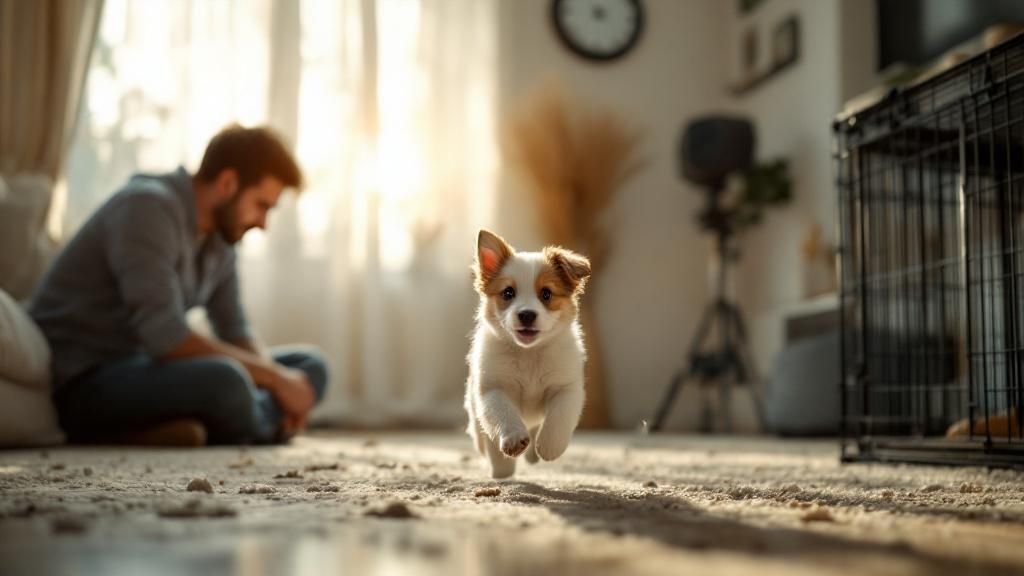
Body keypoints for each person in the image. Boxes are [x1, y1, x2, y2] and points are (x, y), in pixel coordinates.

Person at [30, 125, 327, 446]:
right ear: (228, 183)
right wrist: (277, 383)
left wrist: (279, 379)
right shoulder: (146, 208)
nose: (263, 224)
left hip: (146, 368)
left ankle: (210, 424)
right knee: (228, 381)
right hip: (85, 379)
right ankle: (252, 423)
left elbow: (235, 329)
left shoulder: (222, 238)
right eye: (262, 205)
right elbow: (167, 338)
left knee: (311, 367)